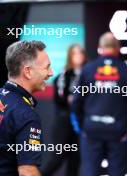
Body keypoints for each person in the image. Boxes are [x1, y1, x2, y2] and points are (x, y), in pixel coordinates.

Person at [0, 40, 53, 176]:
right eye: (47, 67)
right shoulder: (26, 115)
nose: (51, 73)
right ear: (27, 72)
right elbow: (27, 172)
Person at [72, 32, 127, 176]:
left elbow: (76, 102)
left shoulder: (87, 69)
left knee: (90, 173)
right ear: (117, 48)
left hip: (91, 129)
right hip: (118, 130)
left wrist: (82, 126)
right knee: (117, 173)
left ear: (100, 48)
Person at [47, 44, 86, 176]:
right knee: (58, 158)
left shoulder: (89, 73)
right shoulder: (64, 75)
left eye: (81, 52)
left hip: (82, 121)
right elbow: (60, 98)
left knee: (75, 160)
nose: (79, 56)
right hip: (65, 122)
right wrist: (72, 99)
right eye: (75, 53)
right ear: (70, 56)